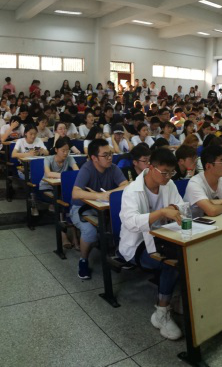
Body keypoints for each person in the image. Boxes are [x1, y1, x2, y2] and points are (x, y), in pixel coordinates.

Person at [116, 148, 192, 340]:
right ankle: (161, 313)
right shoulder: (132, 191)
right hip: (137, 244)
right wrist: (161, 213)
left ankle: (179, 298)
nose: (168, 177)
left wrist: (173, 208)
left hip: (164, 236)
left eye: (171, 172)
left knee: (190, 252)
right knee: (170, 263)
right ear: (151, 168)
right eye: (164, 172)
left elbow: (181, 205)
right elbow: (131, 223)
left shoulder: (169, 183)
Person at [70, 139, 129, 280]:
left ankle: (119, 254)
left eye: (110, 154)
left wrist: (108, 193)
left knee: (126, 223)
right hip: (81, 208)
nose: (110, 158)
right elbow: (75, 193)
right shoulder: (87, 169)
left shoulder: (113, 168)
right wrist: (98, 195)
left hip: (103, 209)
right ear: (94, 158)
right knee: (90, 232)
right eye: (105, 155)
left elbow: (126, 185)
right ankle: (83, 260)